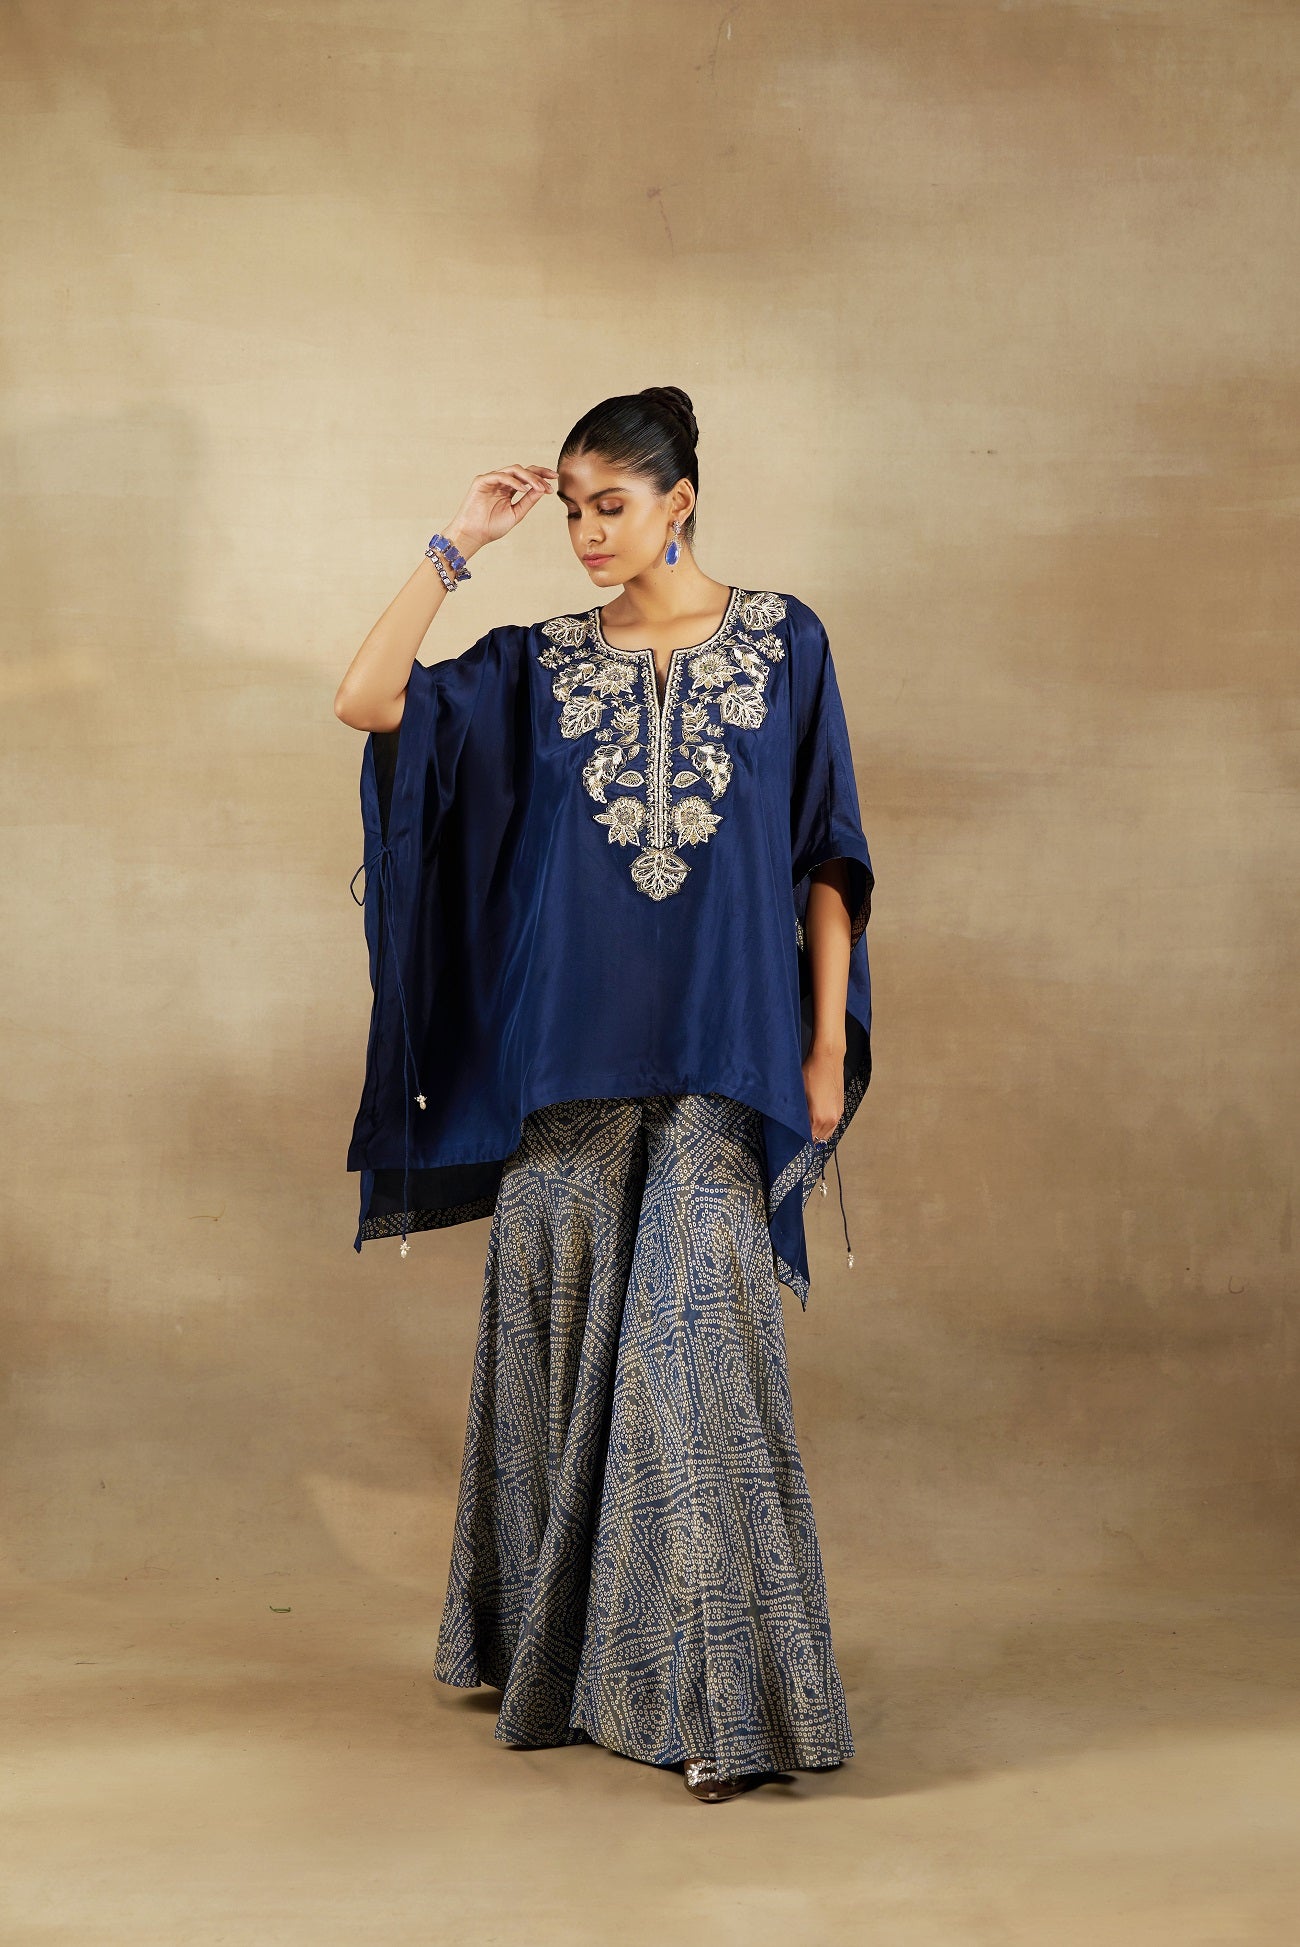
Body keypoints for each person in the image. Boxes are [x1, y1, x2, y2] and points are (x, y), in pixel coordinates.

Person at [334, 386, 875, 1803]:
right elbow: (370, 702)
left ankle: (725, 1707)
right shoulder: (534, 667)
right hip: (566, 1075)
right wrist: (460, 544)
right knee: (563, 1369)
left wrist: (824, 1051)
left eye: (609, 506)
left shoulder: (787, 642)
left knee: (698, 1370)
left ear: (679, 501)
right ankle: (561, 1661)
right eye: (571, 510)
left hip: (726, 1061)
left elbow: (826, 854)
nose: (583, 533)